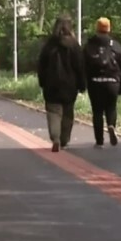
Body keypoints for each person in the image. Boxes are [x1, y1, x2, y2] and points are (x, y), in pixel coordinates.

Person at [37, 15, 86, 152]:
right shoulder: (74, 45)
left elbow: (41, 65)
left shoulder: (49, 45)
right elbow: (80, 66)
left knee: (53, 112)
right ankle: (64, 139)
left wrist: (42, 81)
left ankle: (55, 137)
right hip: (70, 85)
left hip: (51, 85)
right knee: (68, 113)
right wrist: (82, 84)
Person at [82, 17, 121, 147]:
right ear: (109, 29)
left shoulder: (90, 45)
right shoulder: (115, 45)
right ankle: (111, 125)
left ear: (97, 28)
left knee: (97, 111)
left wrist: (83, 83)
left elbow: (83, 64)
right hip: (113, 82)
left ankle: (99, 141)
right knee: (111, 108)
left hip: (95, 82)